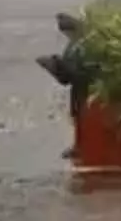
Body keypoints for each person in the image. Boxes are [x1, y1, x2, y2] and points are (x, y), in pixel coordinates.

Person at [36, 12, 91, 159]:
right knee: (76, 115)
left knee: (82, 115)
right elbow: (66, 77)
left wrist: (57, 65)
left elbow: (76, 72)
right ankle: (79, 144)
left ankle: (82, 144)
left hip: (85, 86)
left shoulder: (82, 45)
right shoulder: (73, 45)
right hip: (78, 86)